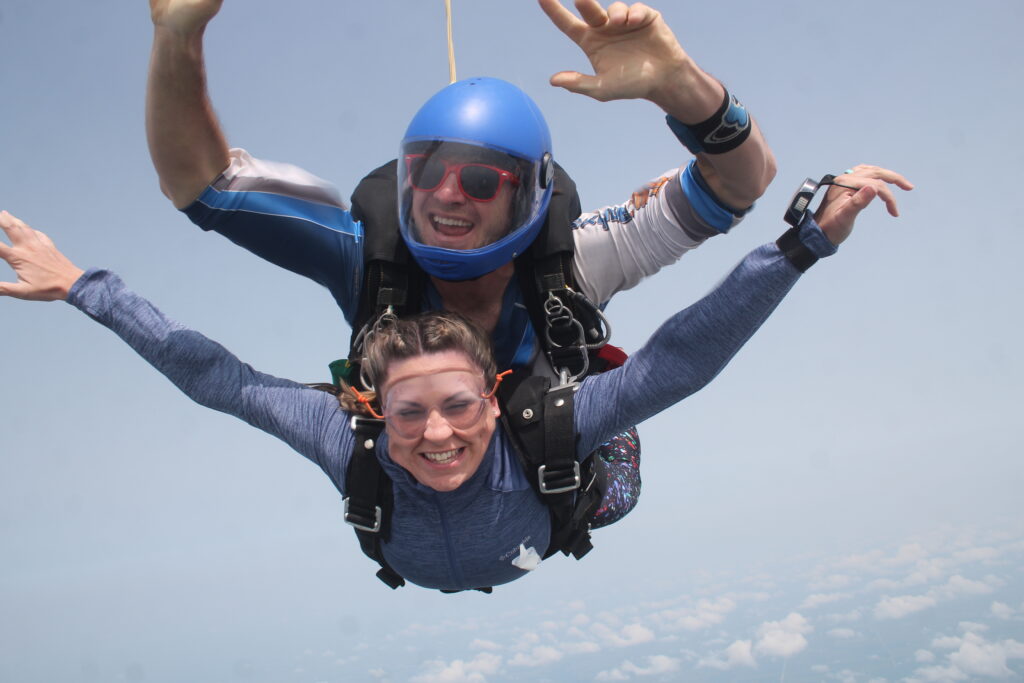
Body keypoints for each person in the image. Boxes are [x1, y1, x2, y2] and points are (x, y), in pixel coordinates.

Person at [0, 165, 913, 591]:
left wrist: (801, 244)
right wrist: (85, 287)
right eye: (408, 414)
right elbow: (215, 377)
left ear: (491, 395)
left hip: (569, 489)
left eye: (456, 406)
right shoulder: (340, 431)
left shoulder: (542, 427)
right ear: (370, 407)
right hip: (464, 539)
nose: (435, 434)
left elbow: (681, 360)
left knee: (608, 432)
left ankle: (574, 346)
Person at [146, 0, 778, 367]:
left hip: (541, 494)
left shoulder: (576, 266)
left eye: (480, 179)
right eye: (424, 172)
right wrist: (177, 38)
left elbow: (742, 183)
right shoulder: (371, 261)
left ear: (528, 194)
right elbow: (200, 184)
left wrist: (685, 90)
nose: (445, 194)